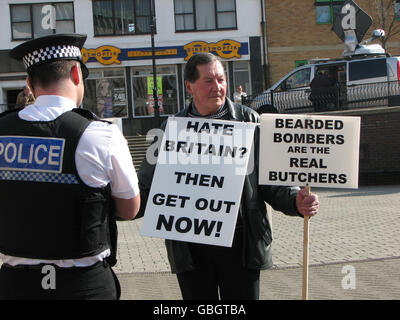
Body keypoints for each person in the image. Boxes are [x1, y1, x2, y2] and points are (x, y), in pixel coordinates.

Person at [137, 52, 319, 300]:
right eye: (209, 81)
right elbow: (146, 186)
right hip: (191, 247)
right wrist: (120, 202)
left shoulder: (250, 121)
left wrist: (293, 200)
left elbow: (271, 179)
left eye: (221, 80)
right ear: (189, 86)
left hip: (241, 243)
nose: (218, 87)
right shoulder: (170, 129)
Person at [0, 33, 140, 300]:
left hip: (16, 285)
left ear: (29, 82)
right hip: (83, 285)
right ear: (77, 73)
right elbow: (129, 209)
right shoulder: (100, 134)